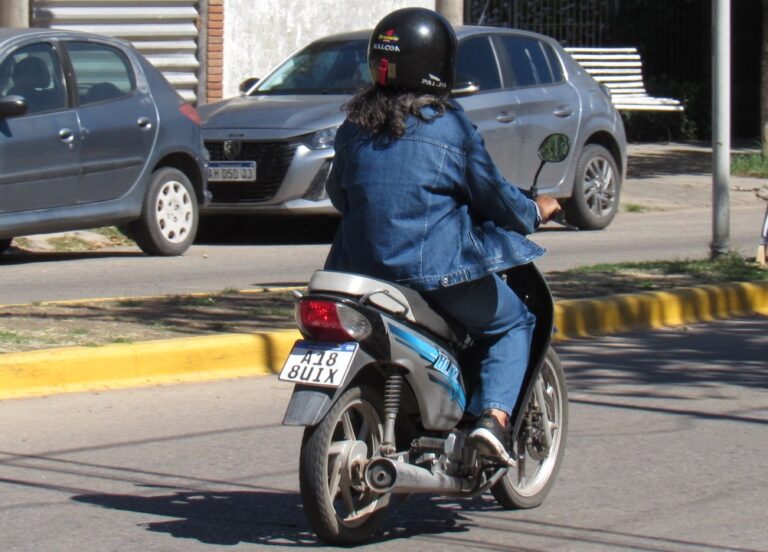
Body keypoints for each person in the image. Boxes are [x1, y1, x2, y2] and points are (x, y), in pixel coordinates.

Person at [324, 7, 561, 462]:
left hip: (356, 276)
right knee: (514, 323)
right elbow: (495, 199)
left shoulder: (354, 126)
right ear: (438, 65)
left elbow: (341, 197)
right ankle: (493, 420)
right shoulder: (450, 126)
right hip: (436, 274)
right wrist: (536, 209)